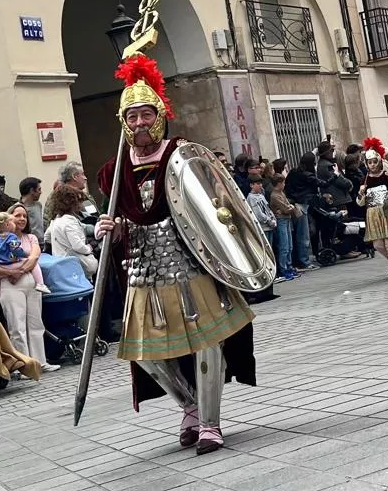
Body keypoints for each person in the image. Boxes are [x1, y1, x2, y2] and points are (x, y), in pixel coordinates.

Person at [94, 52, 258, 455]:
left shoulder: (181, 154)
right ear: (123, 123)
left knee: (207, 342)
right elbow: (120, 220)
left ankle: (210, 423)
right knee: (145, 352)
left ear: (159, 114)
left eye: (145, 114)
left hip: (189, 261)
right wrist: (109, 229)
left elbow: (214, 206)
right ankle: (188, 405)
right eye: (131, 118)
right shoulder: (112, 171)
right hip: (143, 269)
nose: (139, 123)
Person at [0, 205, 48, 369]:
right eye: (17, 215)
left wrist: (18, 271)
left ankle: (40, 362)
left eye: (24, 216)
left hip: (30, 283)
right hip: (10, 286)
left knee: (36, 324)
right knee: (17, 327)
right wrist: (11, 272)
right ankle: (23, 365)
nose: (22, 219)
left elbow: (34, 256)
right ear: (8, 218)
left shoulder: (31, 238)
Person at [357, 139, 388, 280]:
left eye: (374, 161)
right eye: (369, 162)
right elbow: (360, 203)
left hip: (387, 212)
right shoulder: (364, 181)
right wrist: (361, 193)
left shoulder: (386, 177)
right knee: (377, 245)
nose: (372, 165)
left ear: (379, 161)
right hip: (373, 214)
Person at [46, 185, 98, 277]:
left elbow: (47, 237)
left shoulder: (55, 220)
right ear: (69, 202)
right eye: (79, 201)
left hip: (62, 265)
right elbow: (78, 246)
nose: (81, 205)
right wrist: (89, 247)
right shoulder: (70, 220)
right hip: (77, 267)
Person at [284, 153, 320, 266]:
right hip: (301, 205)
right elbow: (317, 185)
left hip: (293, 203)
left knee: (298, 234)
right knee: (303, 234)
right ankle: (304, 261)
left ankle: (299, 260)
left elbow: (288, 187)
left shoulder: (293, 172)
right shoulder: (307, 175)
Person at [18, 177, 47, 243]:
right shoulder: (17, 208)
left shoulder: (38, 205)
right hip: (28, 244)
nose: (40, 192)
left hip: (41, 243)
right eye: (39, 189)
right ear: (32, 191)